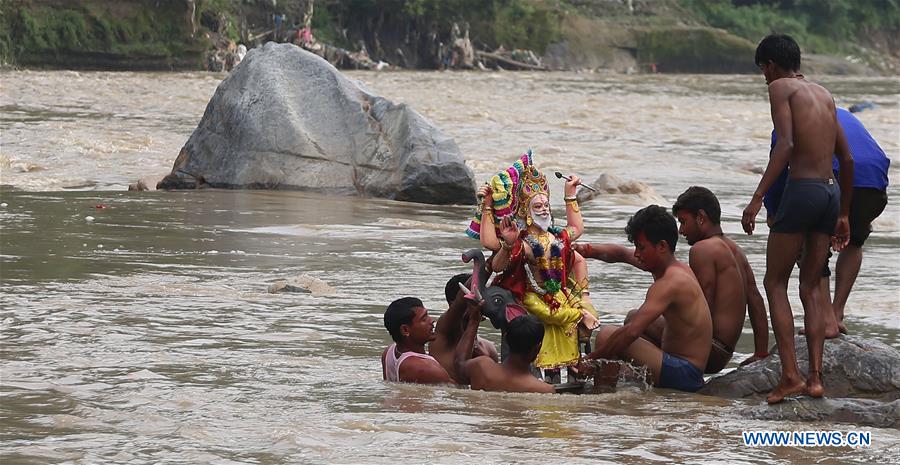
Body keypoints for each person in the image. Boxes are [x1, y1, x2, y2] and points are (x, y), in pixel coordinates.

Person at [741, 34, 854, 404]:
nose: (765, 78)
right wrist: (844, 214)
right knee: (810, 287)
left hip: (803, 190)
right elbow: (848, 160)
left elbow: (785, 145)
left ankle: (790, 375)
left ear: (770, 65)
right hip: (830, 191)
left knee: (774, 282)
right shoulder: (823, 93)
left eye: (763, 71)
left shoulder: (781, 89)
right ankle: (816, 378)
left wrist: (757, 199)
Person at [466, 151, 597, 382]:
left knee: (584, 313)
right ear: (526, 212)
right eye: (538, 206)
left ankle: (570, 371)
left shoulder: (557, 238)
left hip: (559, 292)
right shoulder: (524, 242)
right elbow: (495, 260)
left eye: (546, 205)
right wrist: (493, 217)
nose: (545, 209)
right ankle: (549, 372)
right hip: (533, 298)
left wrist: (570, 195)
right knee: (561, 315)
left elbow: (577, 233)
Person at [764, 108, 890, 336]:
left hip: (838, 176)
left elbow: (779, 168)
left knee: (810, 244)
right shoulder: (836, 111)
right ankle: (837, 311)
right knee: (854, 240)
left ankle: (827, 320)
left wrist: (772, 211)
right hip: (875, 181)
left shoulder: (790, 119)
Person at [580, 205, 712, 392]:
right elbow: (620, 254)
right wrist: (584, 250)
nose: (636, 253)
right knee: (634, 316)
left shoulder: (670, 282)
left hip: (686, 374)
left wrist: (590, 359)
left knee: (607, 334)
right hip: (684, 362)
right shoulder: (668, 265)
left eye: (641, 247)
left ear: (662, 246)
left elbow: (632, 333)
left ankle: (602, 395)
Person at [671, 186, 771, 370]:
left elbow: (700, 309)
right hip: (724, 351)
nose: (681, 230)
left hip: (708, 349)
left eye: (683, 222)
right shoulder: (735, 250)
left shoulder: (703, 249)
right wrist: (761, 352)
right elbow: (756, 301)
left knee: (634, 319)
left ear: (701, 217)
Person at [454, 303, 555, 393]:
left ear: (506, 338)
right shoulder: (542, 390)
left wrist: (473, 322)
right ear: (538, 348)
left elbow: (459, 364)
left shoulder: (481, 368)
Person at [428, 273, 500, 381]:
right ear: (452, 305)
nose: (482, 303)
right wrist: (487, 267)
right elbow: (460, 301)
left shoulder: (489, 348)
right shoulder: (442, 336)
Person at [381, 297, 454, 384]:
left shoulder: (389, 352)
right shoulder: (424, 368)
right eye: (424, 319)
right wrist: (473, 322)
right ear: (405, 330)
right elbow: (459, 391)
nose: (432, 320)